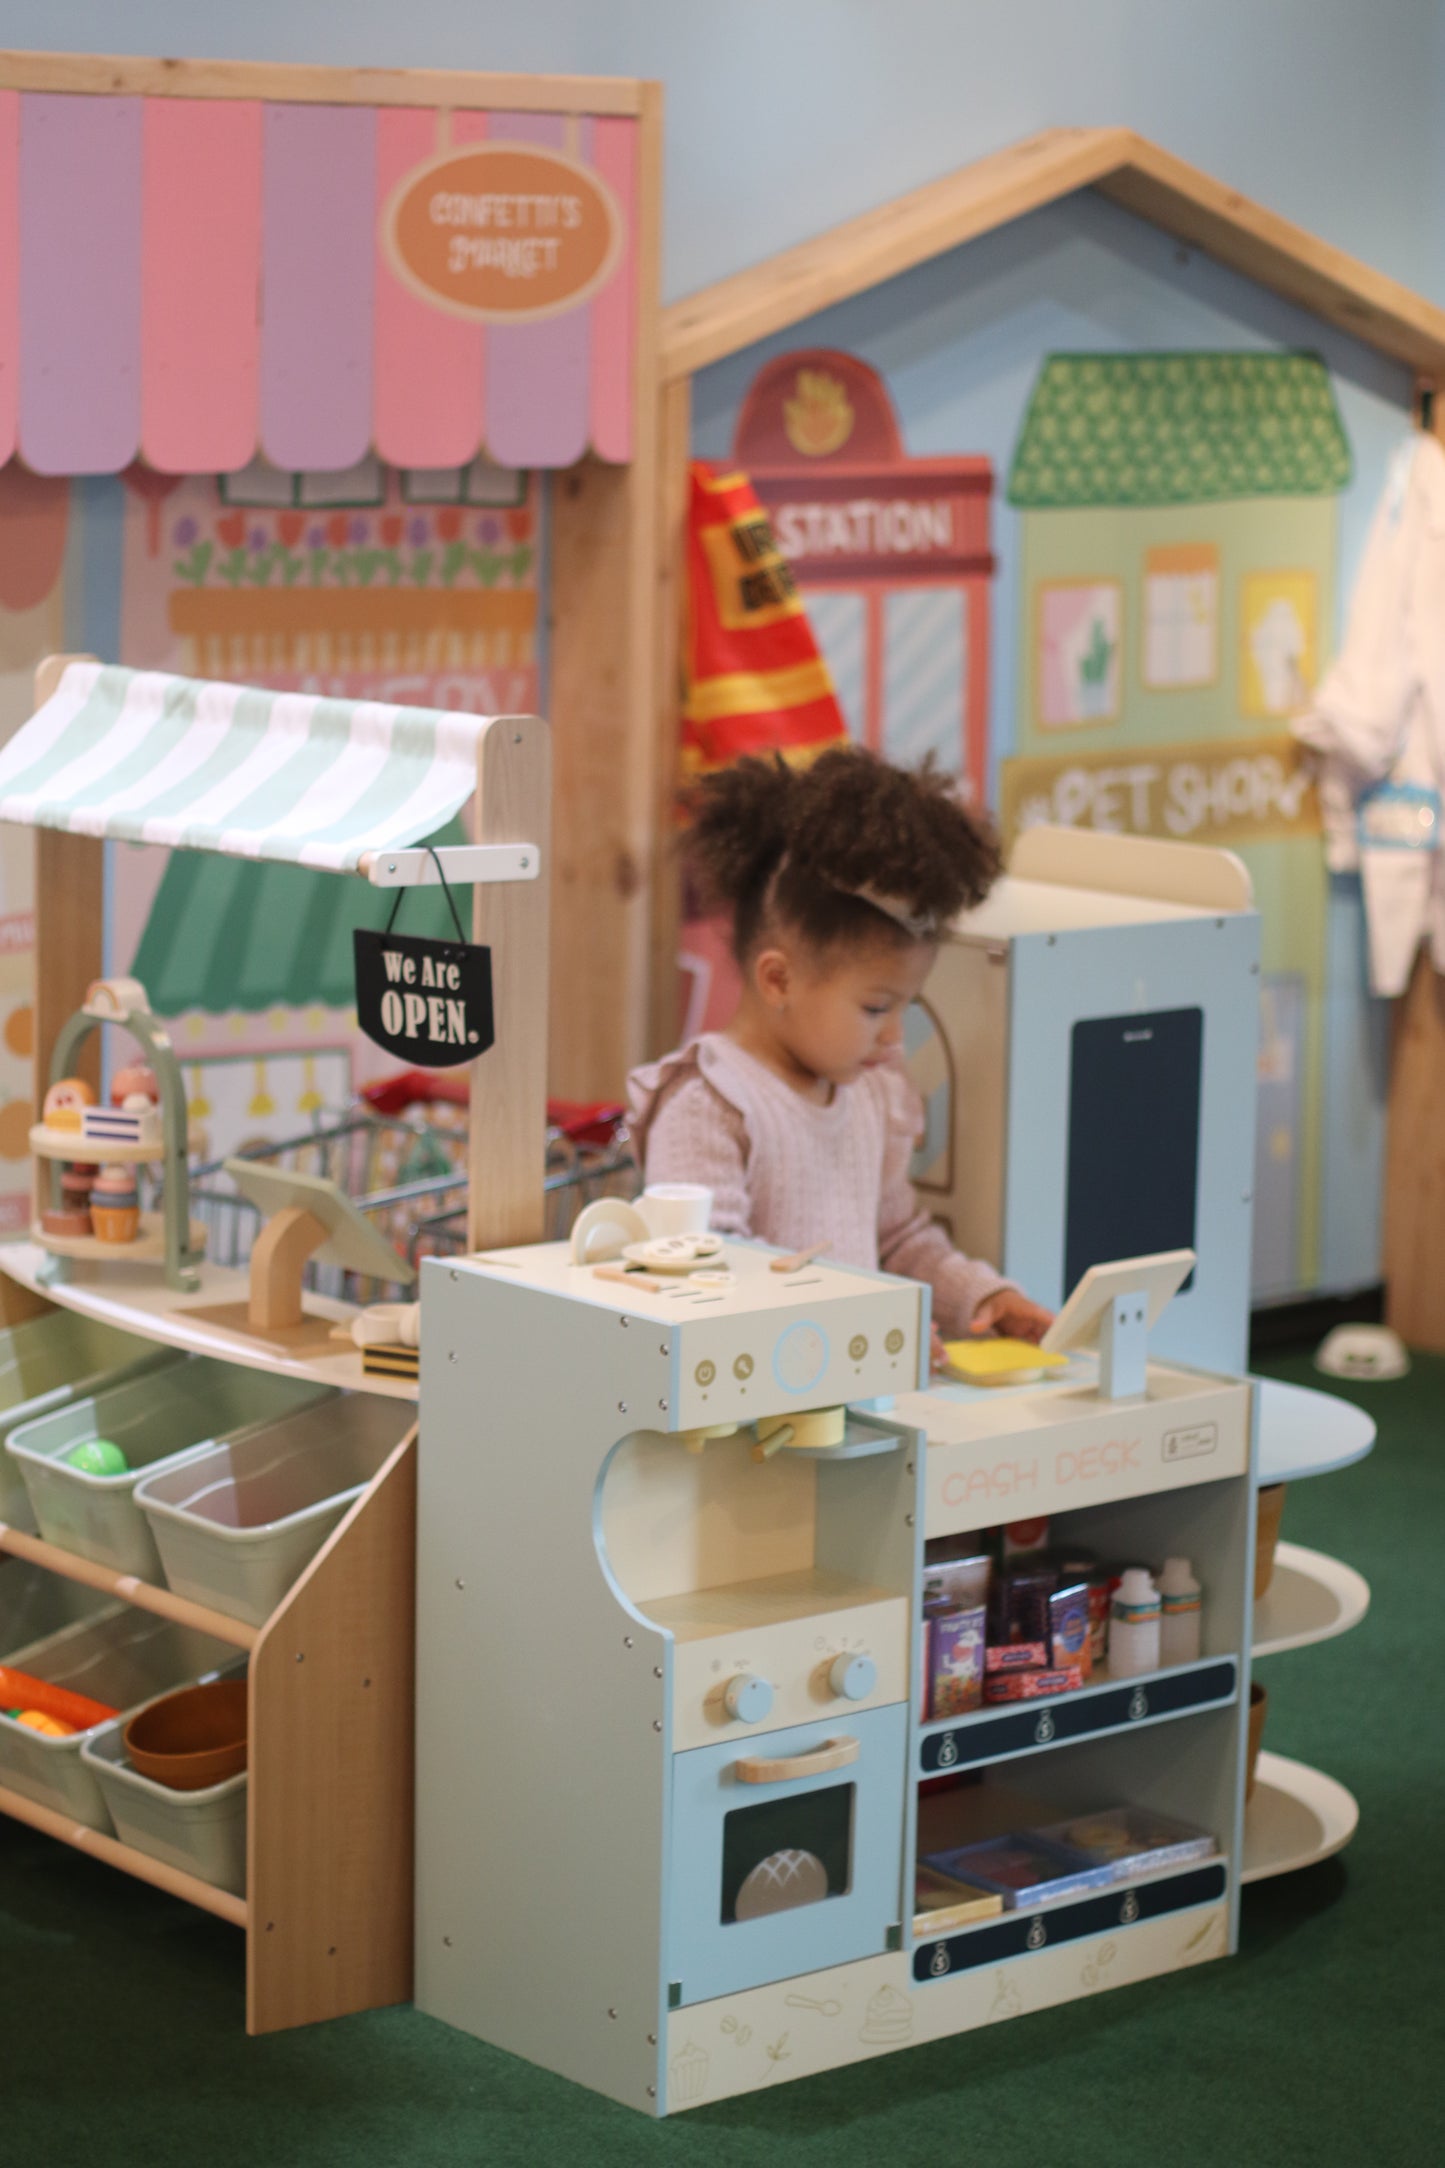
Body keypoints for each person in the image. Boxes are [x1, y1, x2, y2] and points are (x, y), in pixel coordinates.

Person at [628, 747, 1052, 1355]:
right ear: (779, 980)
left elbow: (898, 1238)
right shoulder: (710, 1105)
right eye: (876, 1008)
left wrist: (981, 1301)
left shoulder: (871, 1090)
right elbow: (706, 1282)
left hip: (854, 1408)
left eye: (907, 1006)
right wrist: (863, 1331)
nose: (894, 1036)